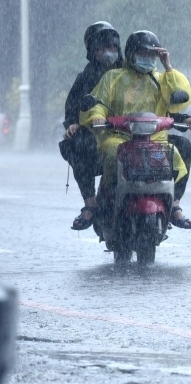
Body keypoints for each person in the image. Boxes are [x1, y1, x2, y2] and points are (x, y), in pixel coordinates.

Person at [80, 30, 191, 229]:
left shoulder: (161, 79)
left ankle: (174, 204)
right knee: (114, 156)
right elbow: (99, 102)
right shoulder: (113, 77)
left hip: (155, 139)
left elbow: (176, 101)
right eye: (142, 53)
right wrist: (97, 115)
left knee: (179, 152)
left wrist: (167, 65)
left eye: (152, 54)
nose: (147, 58)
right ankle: (104, 202)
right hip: (119, 138)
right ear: (131, 54)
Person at [61, 22, 123, 230]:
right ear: (92, 52)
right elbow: (72, 107)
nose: (108, 53)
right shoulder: (85, 78)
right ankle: (90, 203)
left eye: (112, 48)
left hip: (131, 132)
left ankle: (167, 204)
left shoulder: (131, 74)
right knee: (76, 144)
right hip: (98, 137)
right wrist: (73, 124)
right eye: (101, 48)